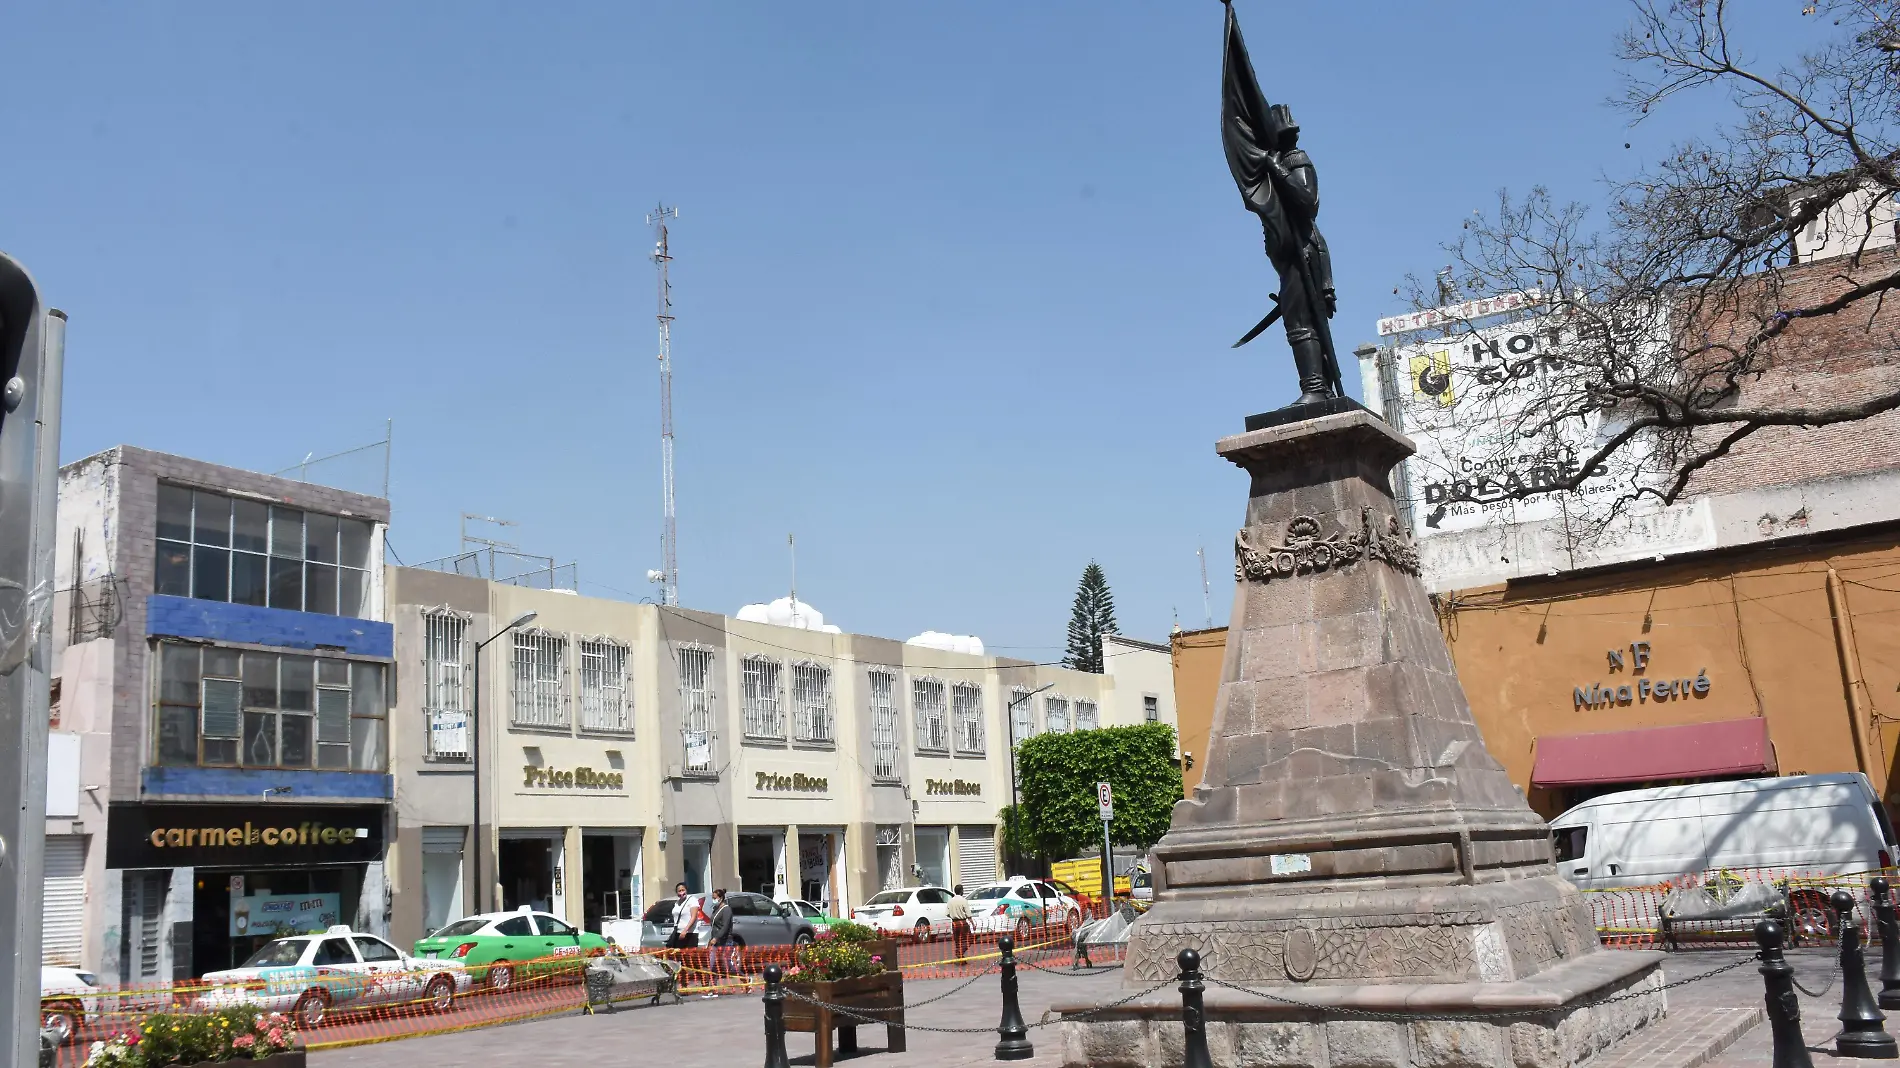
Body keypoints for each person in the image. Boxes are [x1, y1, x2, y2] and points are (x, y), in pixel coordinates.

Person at [707, 889, 736, 988]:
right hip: (716, 941)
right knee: (712, 964)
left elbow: (725, 926)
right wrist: (712, 939)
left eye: (715, 898)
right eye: (712, 898)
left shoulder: (726, 909)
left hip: (725, 940)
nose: (713, 900)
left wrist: (717, 937)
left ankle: (745, 979)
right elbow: (714, 926)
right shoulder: (716, 909)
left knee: (726, 965)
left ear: (721, 898)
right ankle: (713, 987)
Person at [671, 883, 707, 950]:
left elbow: (693, 917)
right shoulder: (677, 903)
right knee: (678, 956)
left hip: (690, 933)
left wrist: (685, 930)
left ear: (686, 890)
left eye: (683, 890)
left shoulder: (692, 900)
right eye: (679, 891)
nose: (681, 892)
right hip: (678, 932)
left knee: (689, 956)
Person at [947, 883, 973, 960]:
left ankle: (961, 957)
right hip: (963, 922)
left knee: (958, 941)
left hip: (954, 923)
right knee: (969, 939)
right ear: (961, 891)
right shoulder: (963, 900)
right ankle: (960, 952)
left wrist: (953, 916)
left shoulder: (950, 901)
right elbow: (968, 914)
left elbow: (947, 913)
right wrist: (973, 923)